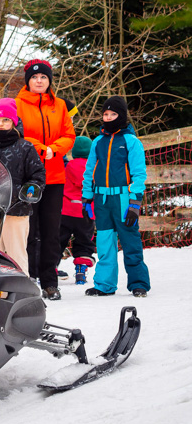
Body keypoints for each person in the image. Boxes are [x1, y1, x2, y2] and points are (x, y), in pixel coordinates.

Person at [15, 59, 76, 301]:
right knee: (27, 230)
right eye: (34, 77)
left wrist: (54, 149)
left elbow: (69, 134)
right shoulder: (17, 104)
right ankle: (28, 278)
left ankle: (49, 281)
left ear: (49, 81)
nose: (39, 81)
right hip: (28, 177)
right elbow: (18, 134)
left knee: (51, 231)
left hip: (54, 177)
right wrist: (42, 148)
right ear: (28, 81)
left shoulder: (60, 105)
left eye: (43, 78)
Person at [82, 97, 150, 297]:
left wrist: (135, 203)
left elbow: (139, 174)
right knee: (104, 242)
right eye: (105, 114)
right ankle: (104, 284)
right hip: (101, 199)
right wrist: (87, 197)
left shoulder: (131, 141)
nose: (109, 118)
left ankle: (138, 283)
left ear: (122, 115)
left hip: (122, 199)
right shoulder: (97, 142)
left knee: (130, 242)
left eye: (113, 114)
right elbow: (89, 171)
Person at [0, 99, 46, 276]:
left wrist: (27, 191)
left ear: (13, 122)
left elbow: (38, 175)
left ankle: (23, 295)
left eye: (5, 120)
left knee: (16, 256)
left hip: (16, 210)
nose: (0, 124)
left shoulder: (25, 147)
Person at [58, 136, 96, 285]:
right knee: (84, 242)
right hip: (85, 212)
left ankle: (51, 269)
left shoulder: (66, 166)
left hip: (65, 211)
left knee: (58, 241)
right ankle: (81, 270)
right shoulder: (94, 168)